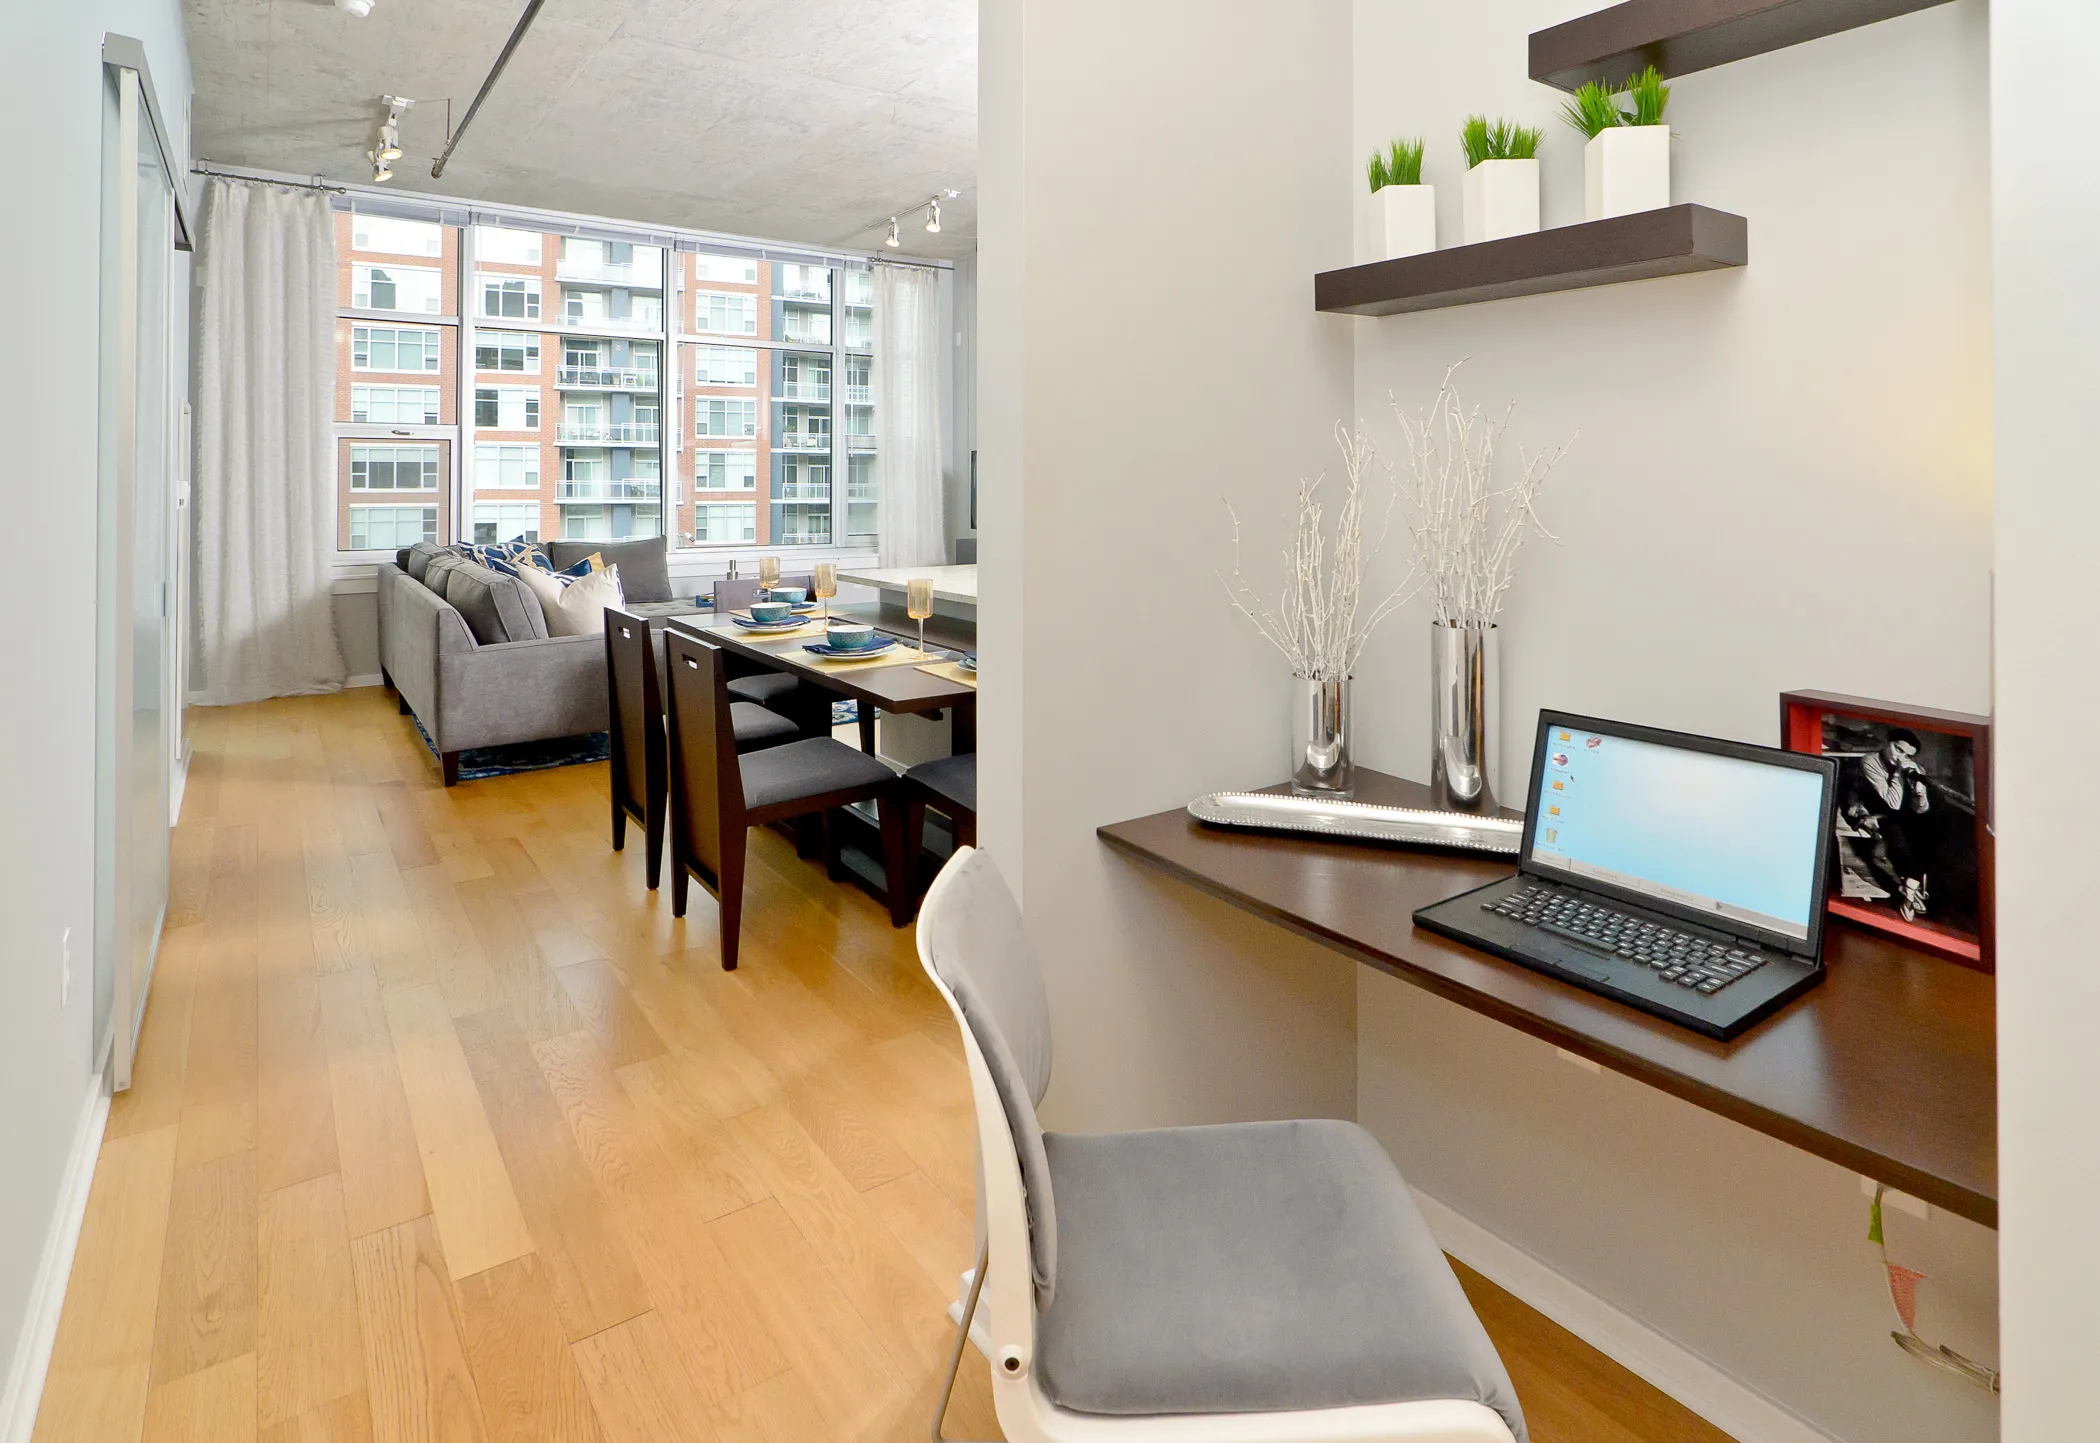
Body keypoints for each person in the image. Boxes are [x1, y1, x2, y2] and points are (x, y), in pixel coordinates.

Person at [1838, 728, 1931, 921]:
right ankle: (1911, 886)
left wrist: (1919, 792)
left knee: (1925, 828)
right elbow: (1893, 803)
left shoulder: (1913, 767)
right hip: (1867, 809)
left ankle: (1910, 886)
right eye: (1898, 749)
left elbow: (1920, 810)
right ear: (1888, 741)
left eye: (1907, 755)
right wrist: (1898, 774)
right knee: (1895, 831)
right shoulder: (1870, 761)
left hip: (1894, 815)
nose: (1901, 757)